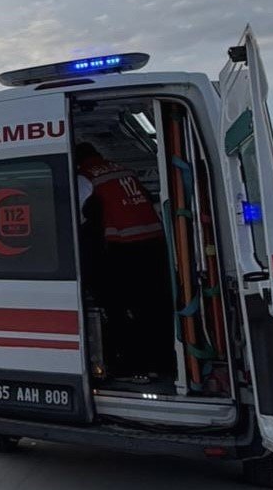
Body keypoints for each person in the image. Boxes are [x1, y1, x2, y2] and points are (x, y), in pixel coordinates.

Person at [75, 142, 174, 381]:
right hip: (154, 244)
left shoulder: (85, 177)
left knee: (120, 309)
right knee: (156, 307)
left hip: (123, 247)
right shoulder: (123, 170)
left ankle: (133, 364)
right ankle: (166, 361)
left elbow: (77, 213)